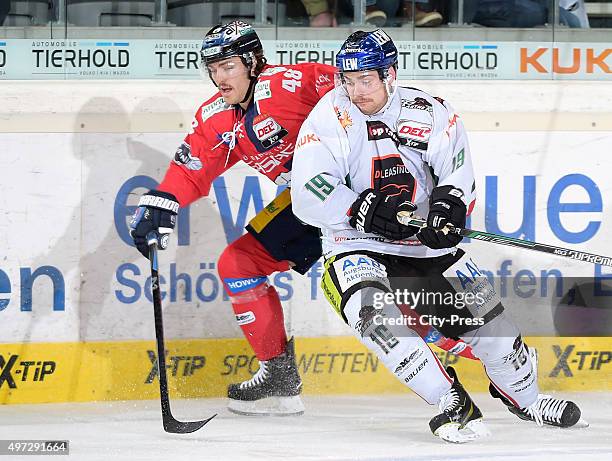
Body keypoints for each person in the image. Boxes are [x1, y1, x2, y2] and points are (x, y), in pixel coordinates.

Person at [129, 19, 476, 417]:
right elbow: (193, 167)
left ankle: (498, 363)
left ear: (253, 60)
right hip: (312, 205)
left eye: (228, 66)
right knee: (238, 264)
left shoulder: (290, 83)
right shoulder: (217, 117)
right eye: (212, 68)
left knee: (411, 307)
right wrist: (162, 201)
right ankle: (278, 375)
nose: (219, 77)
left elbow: (363, 93)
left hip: (371, 202)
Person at [290, 28, 584, 439]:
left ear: (390, 74)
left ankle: (528, 400)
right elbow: (306, 191)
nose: (356, 91)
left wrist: (448, 206)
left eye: (366, 80)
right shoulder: (328, 118)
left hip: (422, 246)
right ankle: (450, 400)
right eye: (348, 80)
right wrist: (361, 210)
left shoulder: (430, 111)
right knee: (372, 314)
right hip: (355, 243)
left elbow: (457, 171)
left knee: (496, 335)